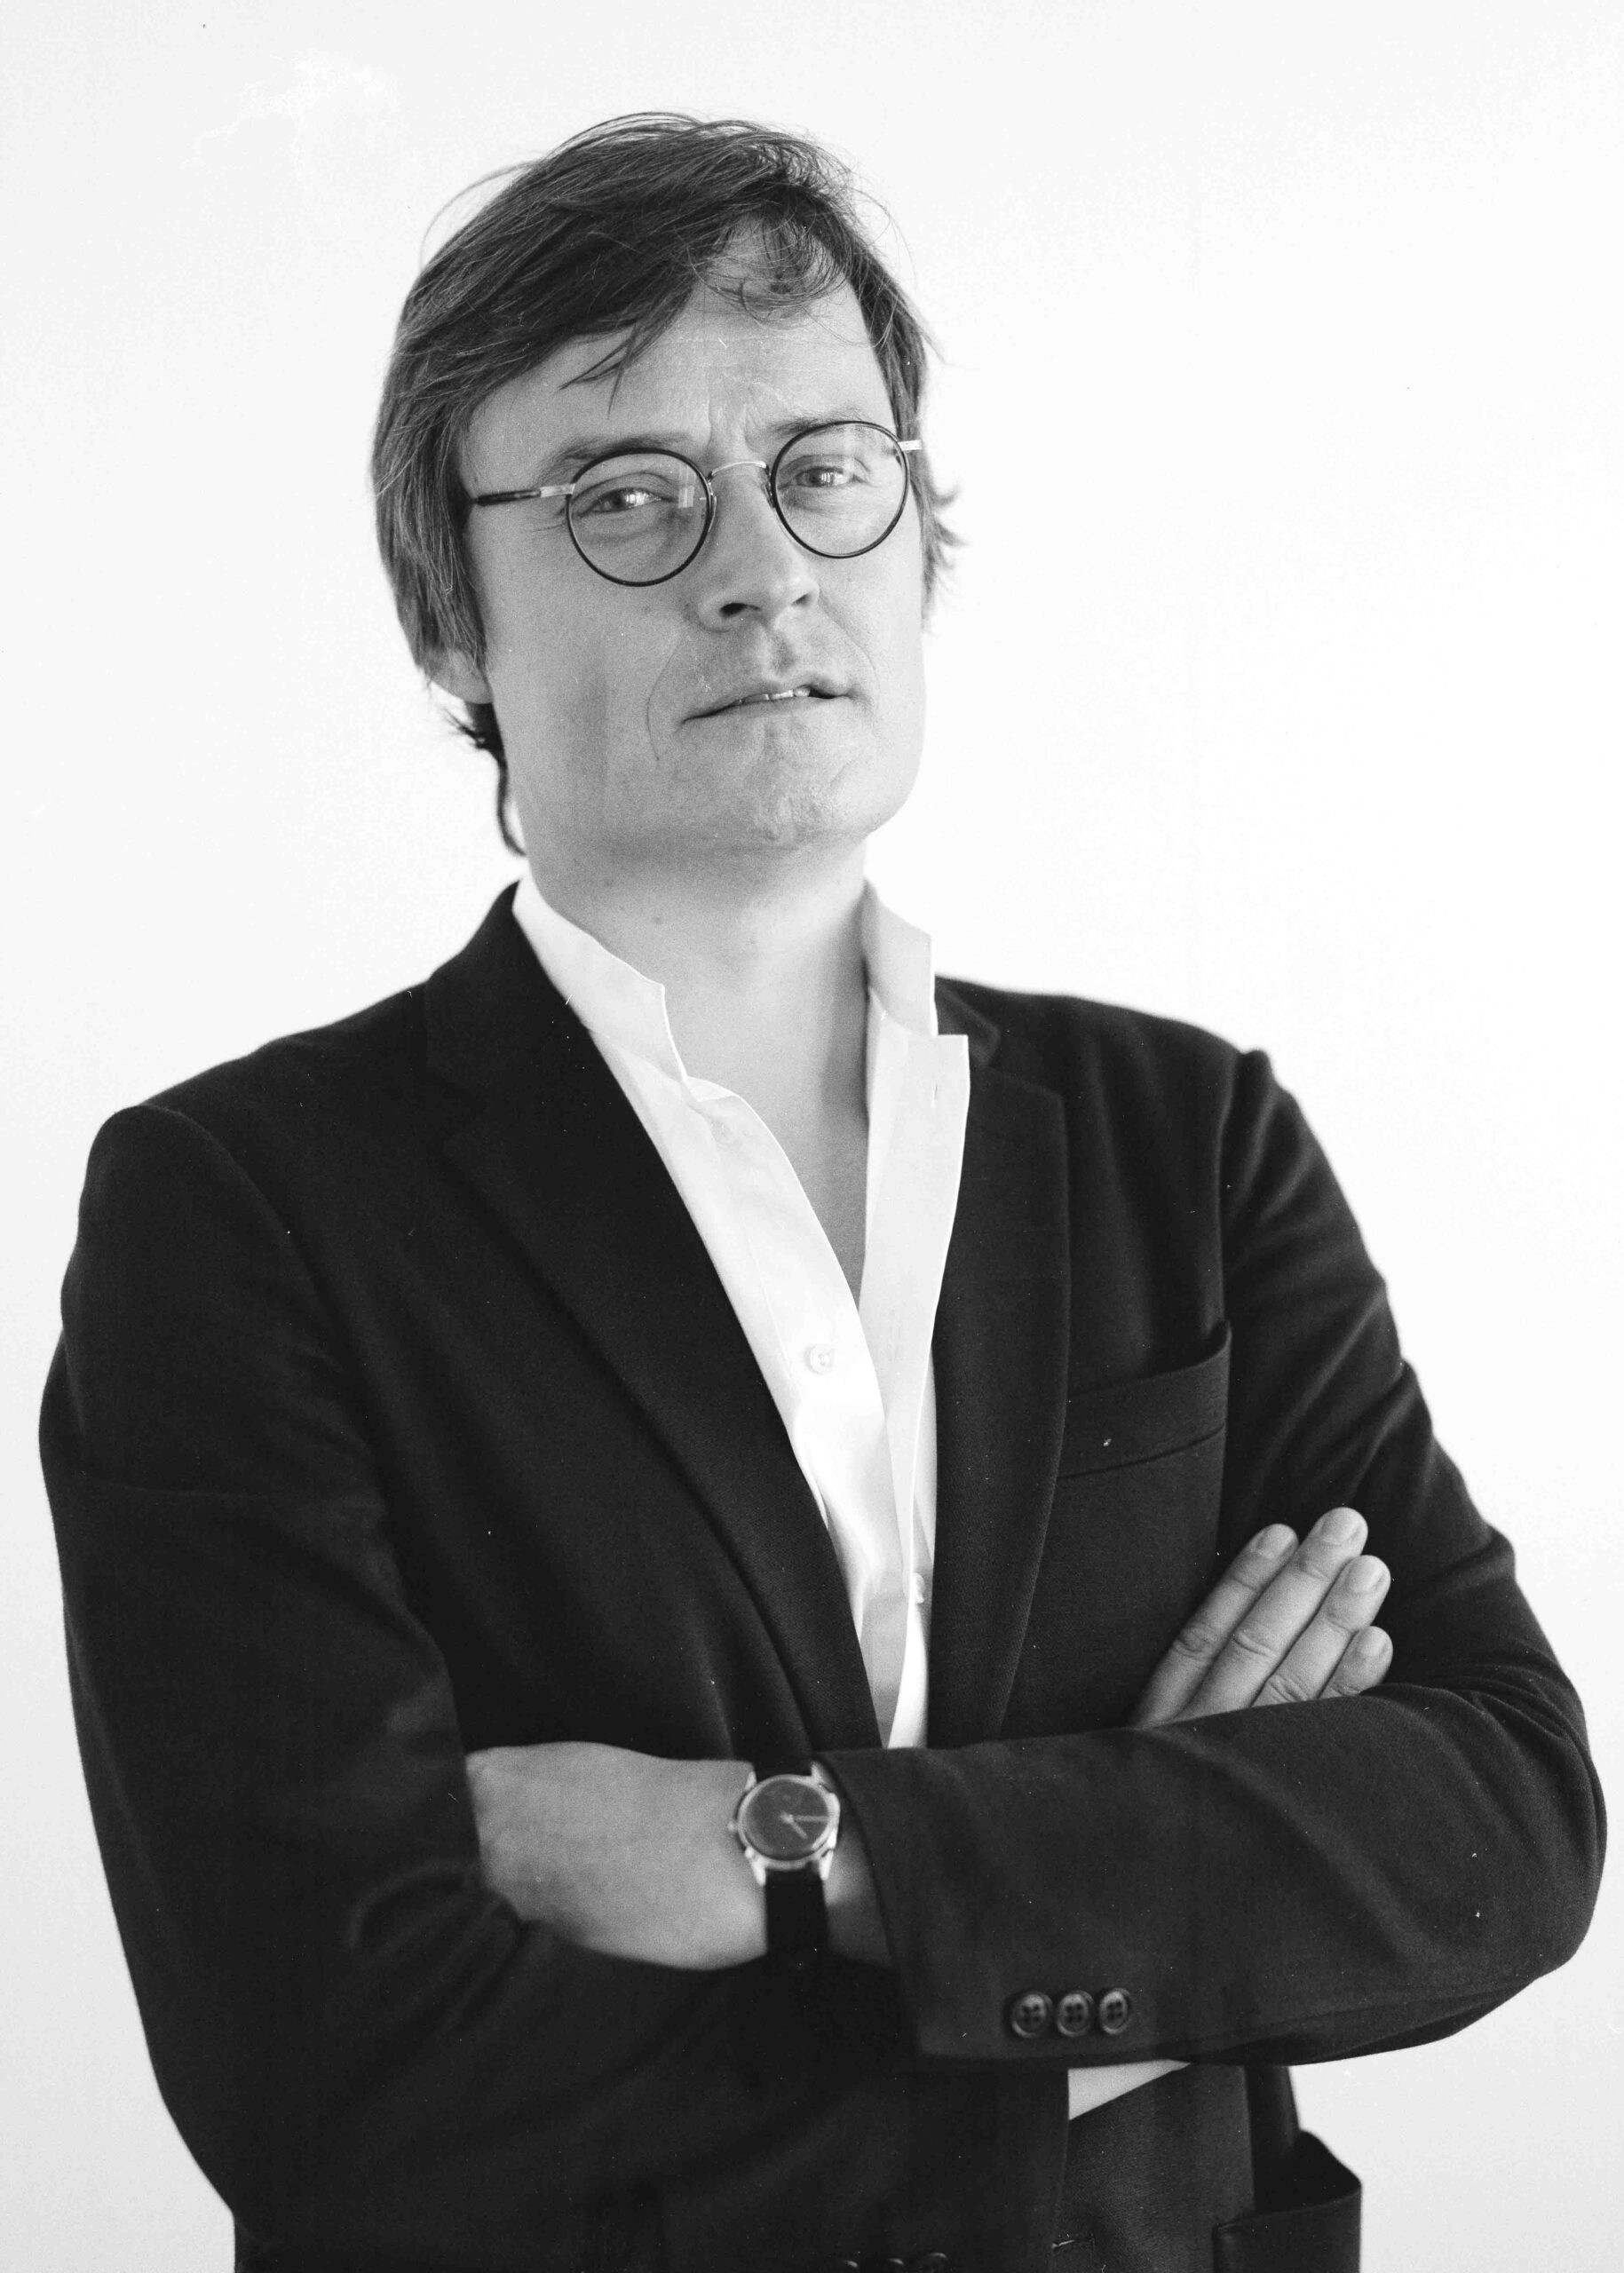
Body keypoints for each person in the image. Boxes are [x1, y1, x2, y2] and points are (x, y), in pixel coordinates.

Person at [42, 114, 1602, 2273]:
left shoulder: (1189, 1136)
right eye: (627, 496)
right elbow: (351, 2086)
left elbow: (1500, 1824)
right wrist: (1134, 1917)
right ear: (449, 623)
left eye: (823, 468)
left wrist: (778, 1850)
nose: (760, 568)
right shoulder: (240, 1213)